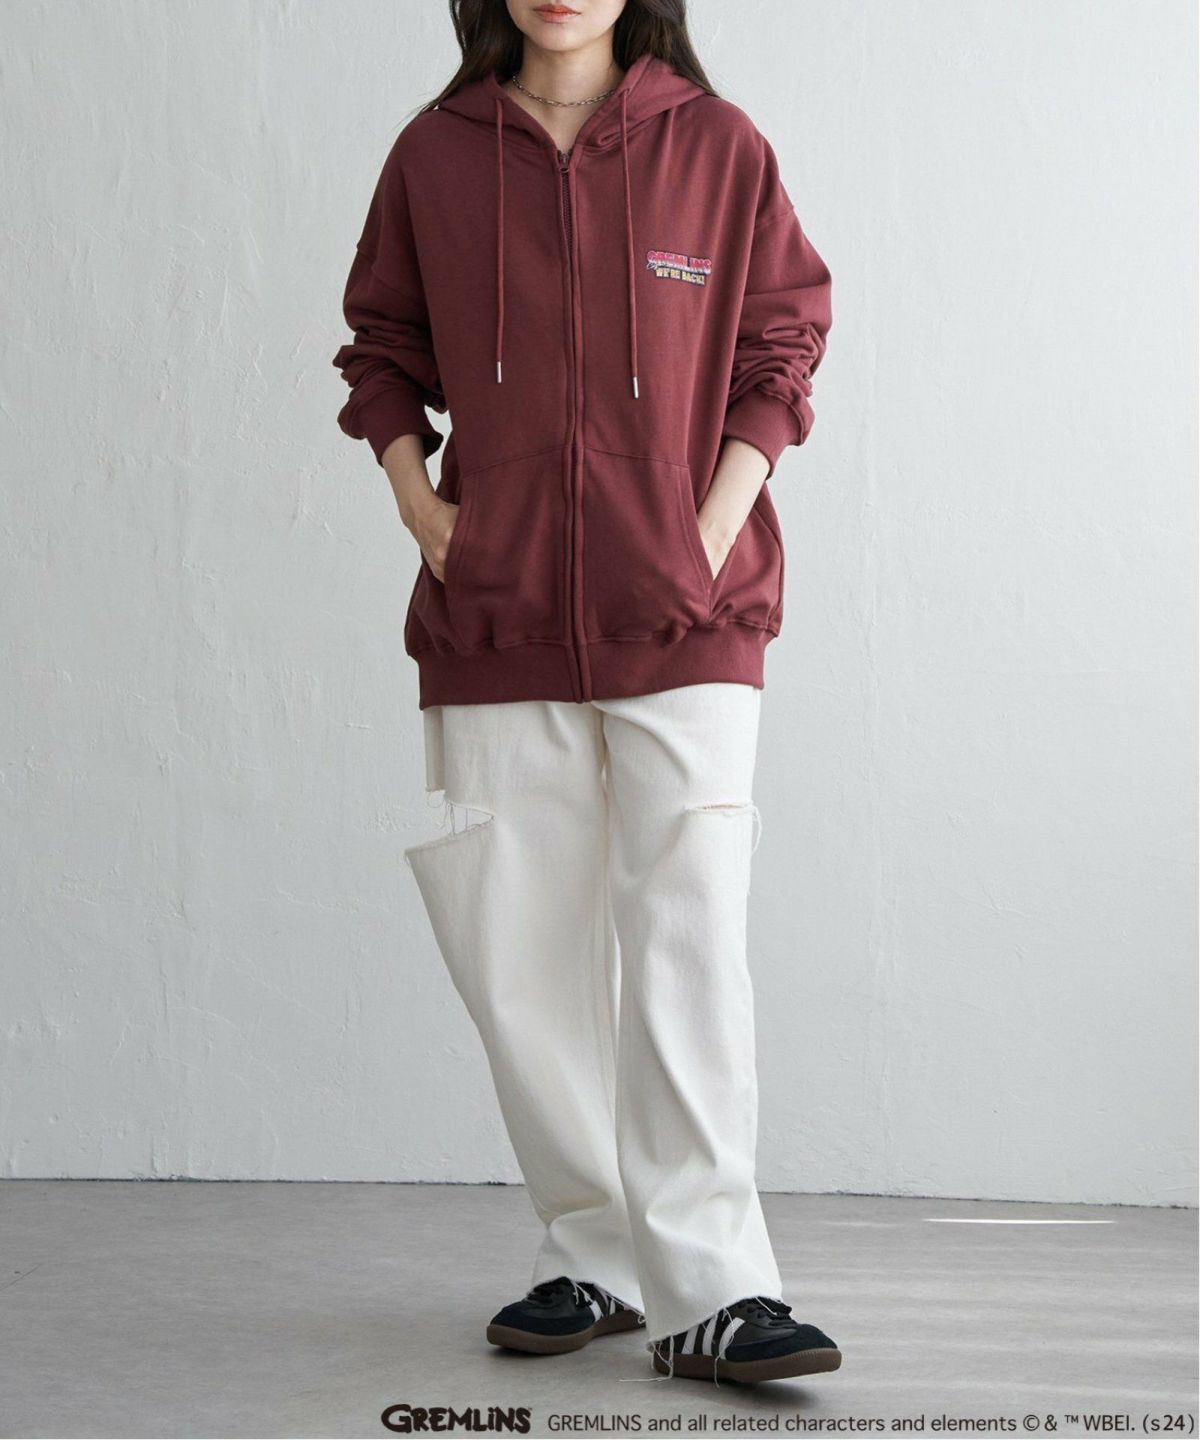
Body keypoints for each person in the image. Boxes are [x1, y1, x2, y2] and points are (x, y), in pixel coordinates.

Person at [331, 0, 837, 1386]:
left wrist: (707, 529)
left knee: (689, 937)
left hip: (688, 613)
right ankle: (595, 1252)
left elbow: (782, 343)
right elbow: (383, 346)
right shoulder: (436, 153)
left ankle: (718, 1287)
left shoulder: (715, 146)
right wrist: (424, 511)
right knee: (522, 955)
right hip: (498, 615)